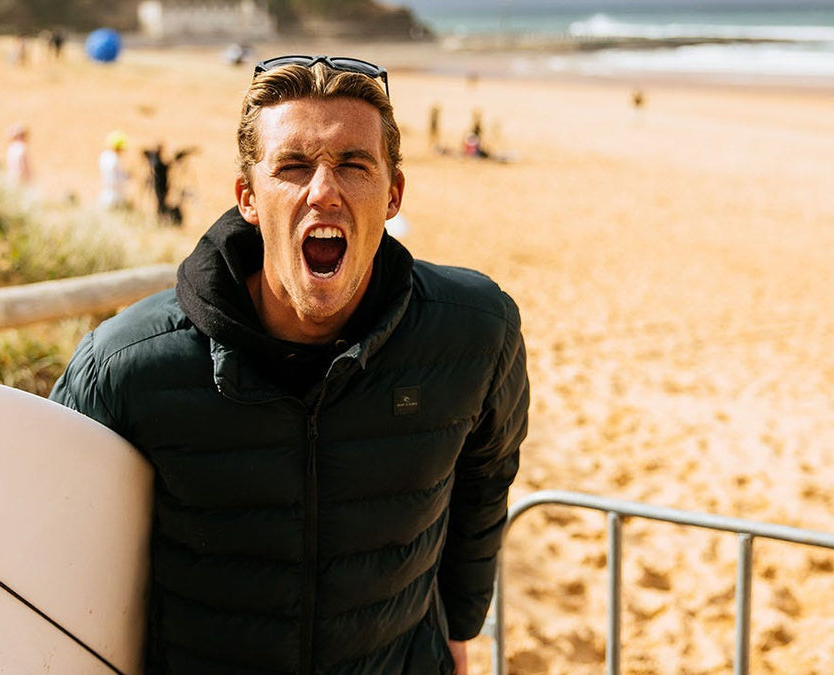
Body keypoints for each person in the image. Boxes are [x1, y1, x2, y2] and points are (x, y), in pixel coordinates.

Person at [50, 54, 528, 674]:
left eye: (354, 165)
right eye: (293, 166)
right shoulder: (127, 365)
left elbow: (487, 476)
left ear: (393, 195)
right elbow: (48, 535)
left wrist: (460, 628)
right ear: (248, 197)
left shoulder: (474, 332)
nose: (323, 191)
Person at [98, 130, 131, 209]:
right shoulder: (113, 159)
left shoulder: (105, 156)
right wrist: (126, 177)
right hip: (114, 196)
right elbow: (115, 179)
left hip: (107, 193)